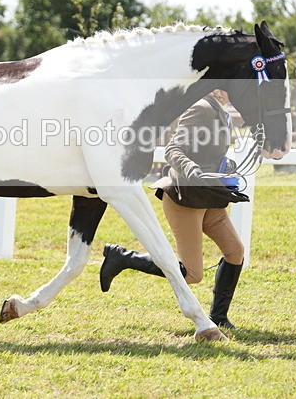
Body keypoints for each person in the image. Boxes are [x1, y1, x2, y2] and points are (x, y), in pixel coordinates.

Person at [99, 90, 249, 329]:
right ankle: (122, 257)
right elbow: (173, 150)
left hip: (209, 196)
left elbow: (210, 150)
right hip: (186, 198)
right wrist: (191, 168)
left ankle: (219, 317)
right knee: (192, 274)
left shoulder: (220, 110)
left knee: (235, 252)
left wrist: (223, 164)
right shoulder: (200, 107)